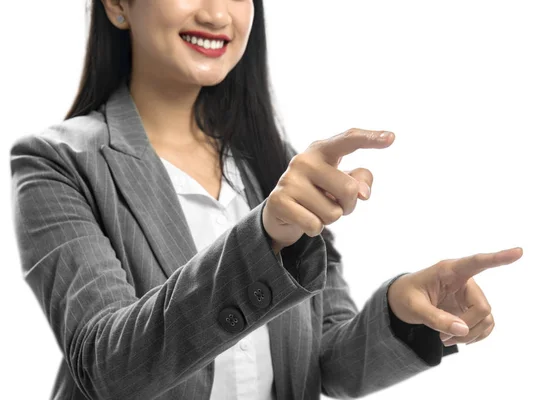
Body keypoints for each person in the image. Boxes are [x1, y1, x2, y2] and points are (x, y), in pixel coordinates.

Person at [9, 1, 523, 399]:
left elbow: (325, 363)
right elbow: (108, 370)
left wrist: (403, 312)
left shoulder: (271, 164)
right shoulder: (56, 161)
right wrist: (263, 240)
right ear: (118, 4)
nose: (216, 13)